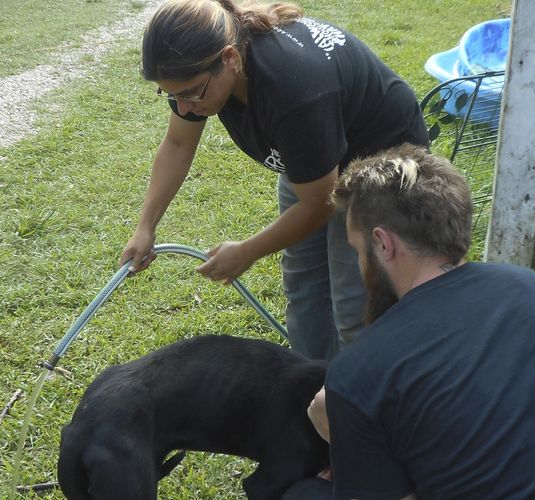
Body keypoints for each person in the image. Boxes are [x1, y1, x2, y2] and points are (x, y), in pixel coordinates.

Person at [291, 144, 535, 499]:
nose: (360, 265)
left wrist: (343, 429)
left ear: (383, 244)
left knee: (306, 493)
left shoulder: (359, 373)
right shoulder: (534, 291)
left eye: (358, 250)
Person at [119, 0, 429, 360]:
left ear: (230, 59)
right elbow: (177, 144)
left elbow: (319, 203)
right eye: (171, 95)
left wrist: (247, 252)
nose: (183, 107)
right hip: (315, 158)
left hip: (379, 162)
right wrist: (145, 227)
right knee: (304, 284)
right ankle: (311, 387)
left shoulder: (292, 90)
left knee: (354, 306)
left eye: (190, 93)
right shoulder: (198, 74)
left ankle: (360, 403)